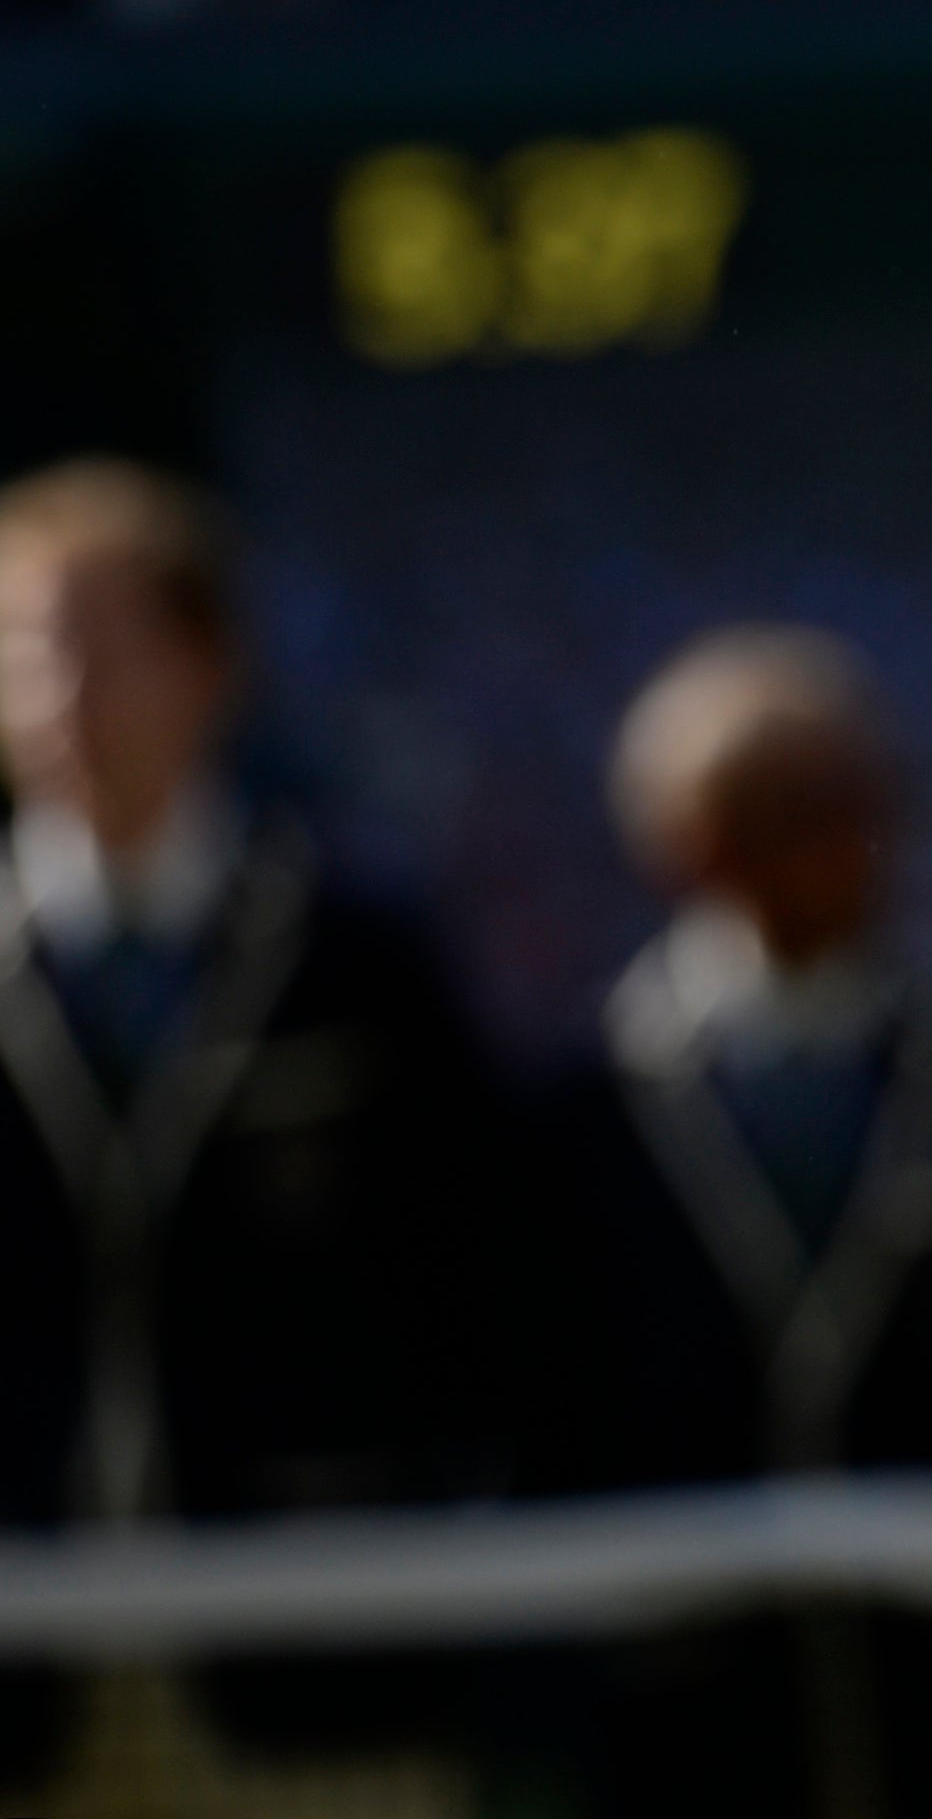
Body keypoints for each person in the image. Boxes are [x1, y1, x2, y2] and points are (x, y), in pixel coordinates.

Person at [529, 625, 932, 1819]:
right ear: (674, 835)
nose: (821, 840)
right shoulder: (584, 1110)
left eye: (846, 797)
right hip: (697, 1729)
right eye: (767, 805)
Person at [0, 458, 515, 1776]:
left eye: (100, 649)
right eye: (20, 654)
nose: (60, 699)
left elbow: (478, 1276)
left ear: (210, 665)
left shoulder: (358, 961)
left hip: (315, 1660)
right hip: (29, 1683)